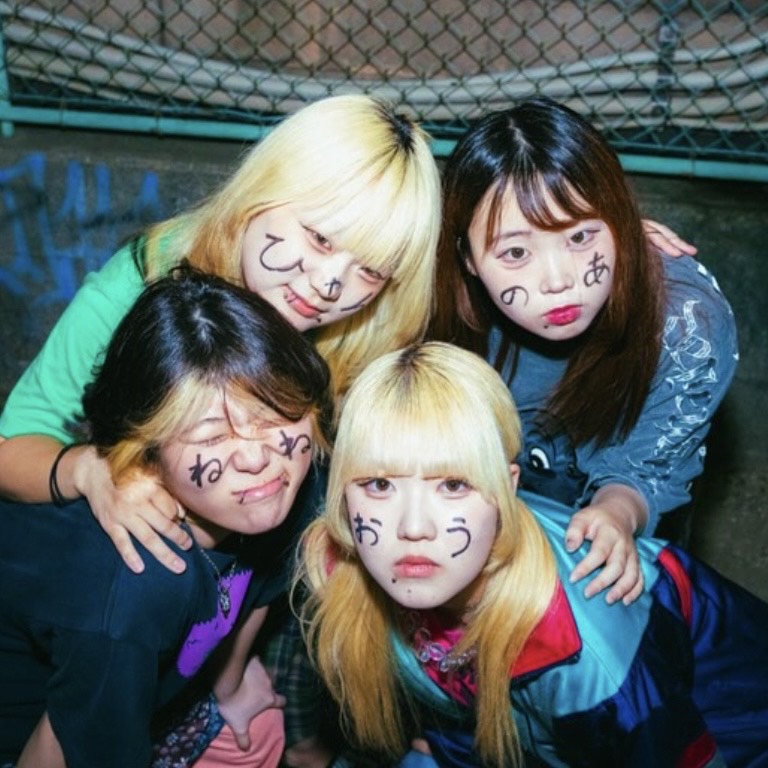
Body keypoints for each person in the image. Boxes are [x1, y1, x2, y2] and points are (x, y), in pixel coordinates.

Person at [0, 93, 441, 575]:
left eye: (370, 270)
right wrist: (89, 470)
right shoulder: (138, 283)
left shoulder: (360, 335)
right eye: (320, 238)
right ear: (263, 190)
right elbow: (9, 450)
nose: (330, 284)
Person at [297, 341, 768, 768]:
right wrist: (453, 746)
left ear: (507, 488)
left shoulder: (589, 652)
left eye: (454, 485)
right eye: (379, 485)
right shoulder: (343, 568)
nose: (413, 528)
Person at [0, 267, 334, 767]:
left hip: (135, 691)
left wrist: (229, 684)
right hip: (45, 734)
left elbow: (258, 587)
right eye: (211, 437)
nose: (257, 458)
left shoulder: (295, 487)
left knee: (262, 734)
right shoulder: (136, 581)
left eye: (274, 416)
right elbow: (66, 740)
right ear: (146, 454)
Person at [429, 96, 738, 605]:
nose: (558, 280)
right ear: (467, 259)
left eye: (580, 237)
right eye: (516, 251)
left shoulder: (686, 324)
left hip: (613, 548)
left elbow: (649, 470)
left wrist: (615, 514)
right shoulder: (429, 300)